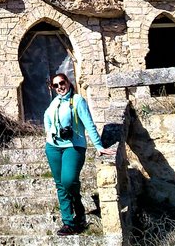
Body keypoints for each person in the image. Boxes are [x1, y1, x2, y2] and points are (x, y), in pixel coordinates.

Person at [43, 73, 117, 236]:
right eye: (55, 85)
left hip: (73, 146)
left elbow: (89, 123)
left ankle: (79, 208)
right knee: (60, 185)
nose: (59, 87)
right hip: (53, 148)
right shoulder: (54, 103)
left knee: (68, 180)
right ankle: (69, 222)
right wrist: (49, 133)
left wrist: (98, 145)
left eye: (62, 83)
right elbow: (47, 118)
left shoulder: (77, 101)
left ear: (68, 83)